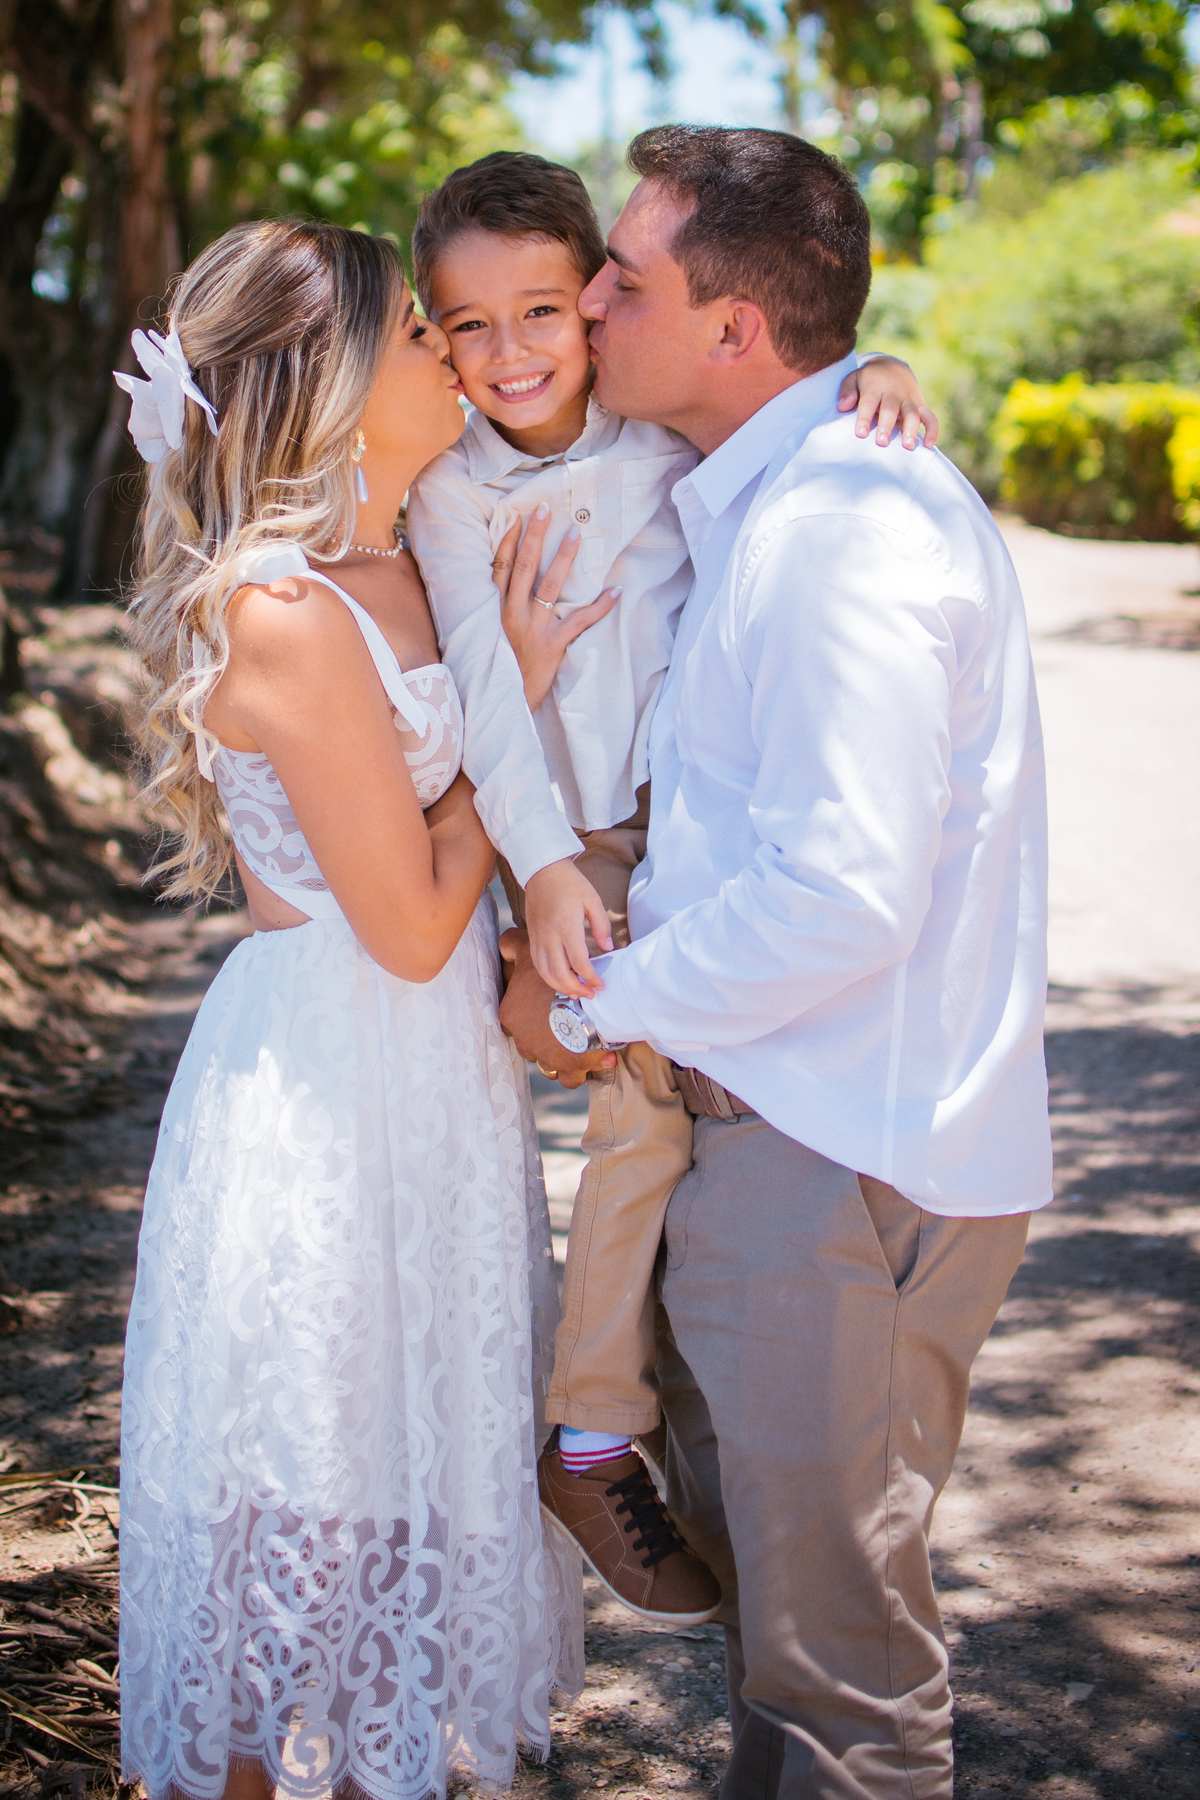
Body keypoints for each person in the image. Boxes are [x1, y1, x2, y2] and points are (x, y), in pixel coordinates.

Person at [500, 125, 1053, 1799]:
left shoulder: (838, 527)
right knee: (787, 1656)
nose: (589, 303)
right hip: (791, 1154)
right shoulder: (763, 497)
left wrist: (597, 1005)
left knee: (839, 1692)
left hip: (835, 1175)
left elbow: (842, 892)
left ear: (734, 328)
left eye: (622, 280)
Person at [404, 151, 938, 1626]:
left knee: (680, 1099)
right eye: (470, 325)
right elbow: (487, 700)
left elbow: (775, 387)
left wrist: (875, 372)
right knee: (637, 1094)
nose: (512, 351)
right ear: (436, 339)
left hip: (691, 819)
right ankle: (588, 1433)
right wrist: (545, 866)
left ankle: (634, 1407)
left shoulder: (659, 442)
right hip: (572, 832)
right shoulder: (449, 492)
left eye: (543, 310)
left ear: (594, 303)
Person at [115, 217, 583, 1800]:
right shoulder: (284, 611)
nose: (452, 355)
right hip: (334, 1060)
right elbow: (410, 922)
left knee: (414, 1447)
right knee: (303, 1474)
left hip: (432, 1076)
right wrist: (509, 710)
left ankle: (399, 1761)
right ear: (328, 381)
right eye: (417, 337)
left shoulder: (405, 559)